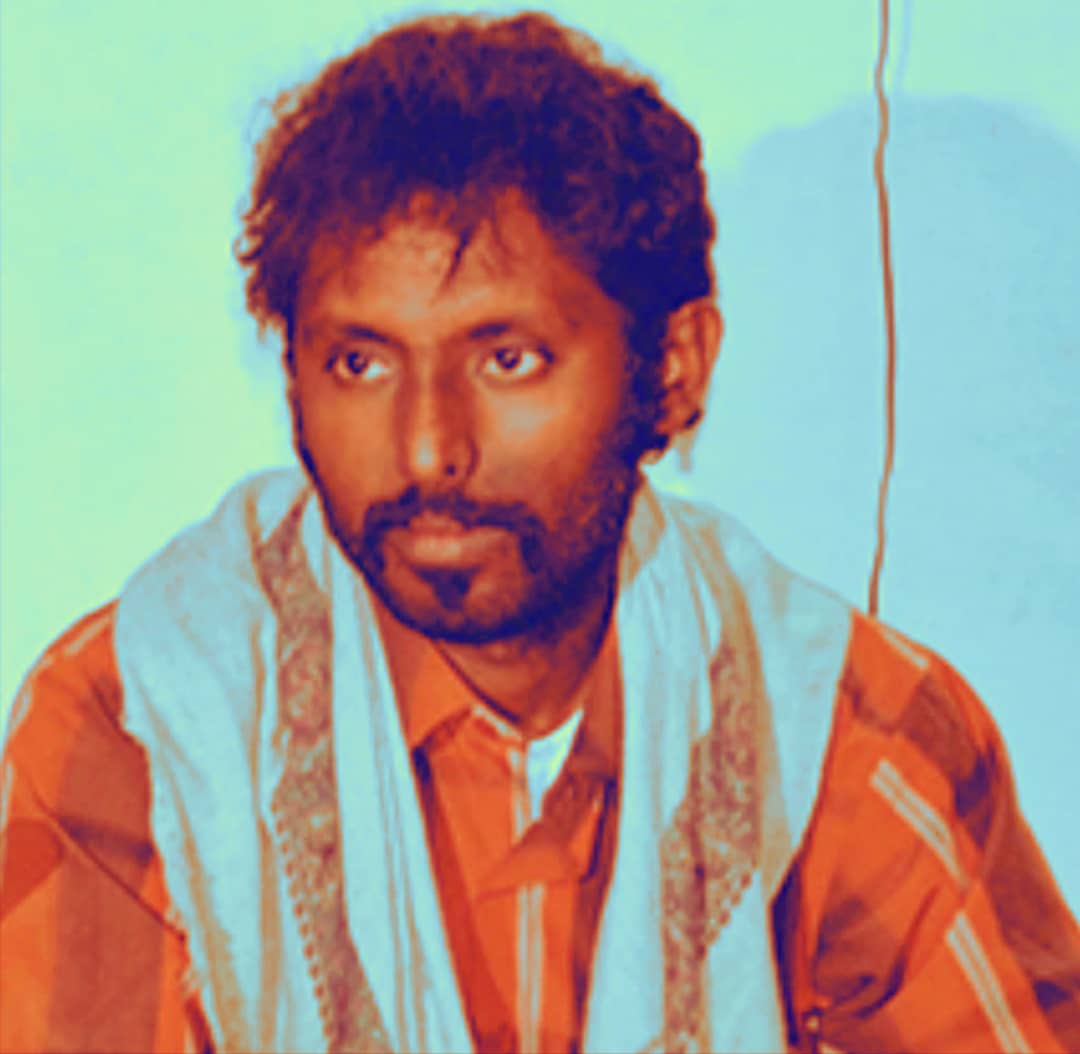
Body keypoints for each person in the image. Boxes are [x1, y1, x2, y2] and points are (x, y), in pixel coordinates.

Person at [2, 12, 1077, 1054]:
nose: (428, 449)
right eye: (360, 364)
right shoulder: (148, 732)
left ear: (673, 370)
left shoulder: (843, 739)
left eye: (506, 359)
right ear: (293, 380)